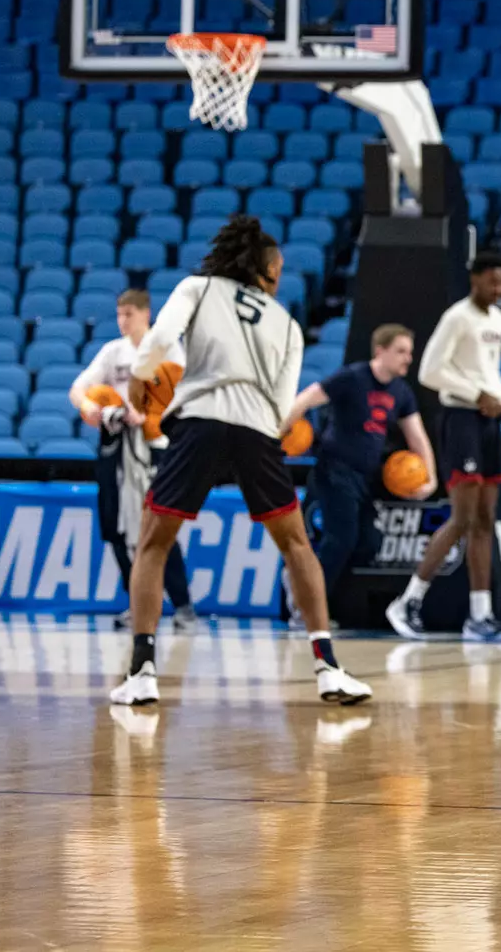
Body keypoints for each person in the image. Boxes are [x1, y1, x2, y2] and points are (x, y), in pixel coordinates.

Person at [109, 214, 371, 706]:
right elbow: (282, 407)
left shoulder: (199, 287)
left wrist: (142, 379)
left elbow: (160, 341)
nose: (280, 278)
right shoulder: (288, 325)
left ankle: (142, 673)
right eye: (279, 270)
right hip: (257, 431)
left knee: (153, 543)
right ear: (265, 270)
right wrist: (261, 437)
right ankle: (328, 669)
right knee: (297, 545)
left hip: (199, 423)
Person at [385, 251, 501, 643]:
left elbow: (487, 368)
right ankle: (407, 601)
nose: (498, 289)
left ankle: (480, 615)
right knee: (462, 518)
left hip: (487, 422)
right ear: (475, 279)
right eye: (492, 281)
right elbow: (430, 371)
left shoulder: (497, 319)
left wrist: (500, 394)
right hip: (460, 419)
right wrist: (476, 393)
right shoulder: (456, 317)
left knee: (485, 520)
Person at [280, 324, 438, 619]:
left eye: (409, 352)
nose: (408, 358)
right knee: (341, 539)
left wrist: (431, 477)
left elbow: (417, 436)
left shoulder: (401, 392)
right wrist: (279, 430)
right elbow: (307, 398)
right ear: (380, 351)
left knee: (370, 543)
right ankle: (306, 608)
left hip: (367, 478)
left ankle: (300, 580)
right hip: (335, 470)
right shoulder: (352, 377)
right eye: (401, 351)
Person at [71, 289, 195, 630]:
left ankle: (183, 605)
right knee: (113, 525)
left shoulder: (167, 348)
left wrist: (150, 413)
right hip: (117, 443)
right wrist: (91, 407)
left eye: (129, 314)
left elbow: (181, 393)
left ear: (145, 314)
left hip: (156, 445)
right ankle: (137, 603)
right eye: (119, 314)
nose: (122, 321)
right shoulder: (113, 351)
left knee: (158, 526)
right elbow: (78, 389)